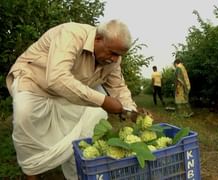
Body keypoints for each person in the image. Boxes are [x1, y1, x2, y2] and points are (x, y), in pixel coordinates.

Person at [6, 19, 140, 180]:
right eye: (112, 53)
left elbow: (118, 87)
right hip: (34, 81)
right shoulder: (71, 35)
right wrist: (104, 101)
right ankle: (32, 172)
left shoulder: (114, 59)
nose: (114, 59)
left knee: (94, 117)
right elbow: (57, 79)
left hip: (69, 92)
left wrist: (132, 111)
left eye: (119, 55)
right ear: (98, 39)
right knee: (25, 117)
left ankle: (77, 171)